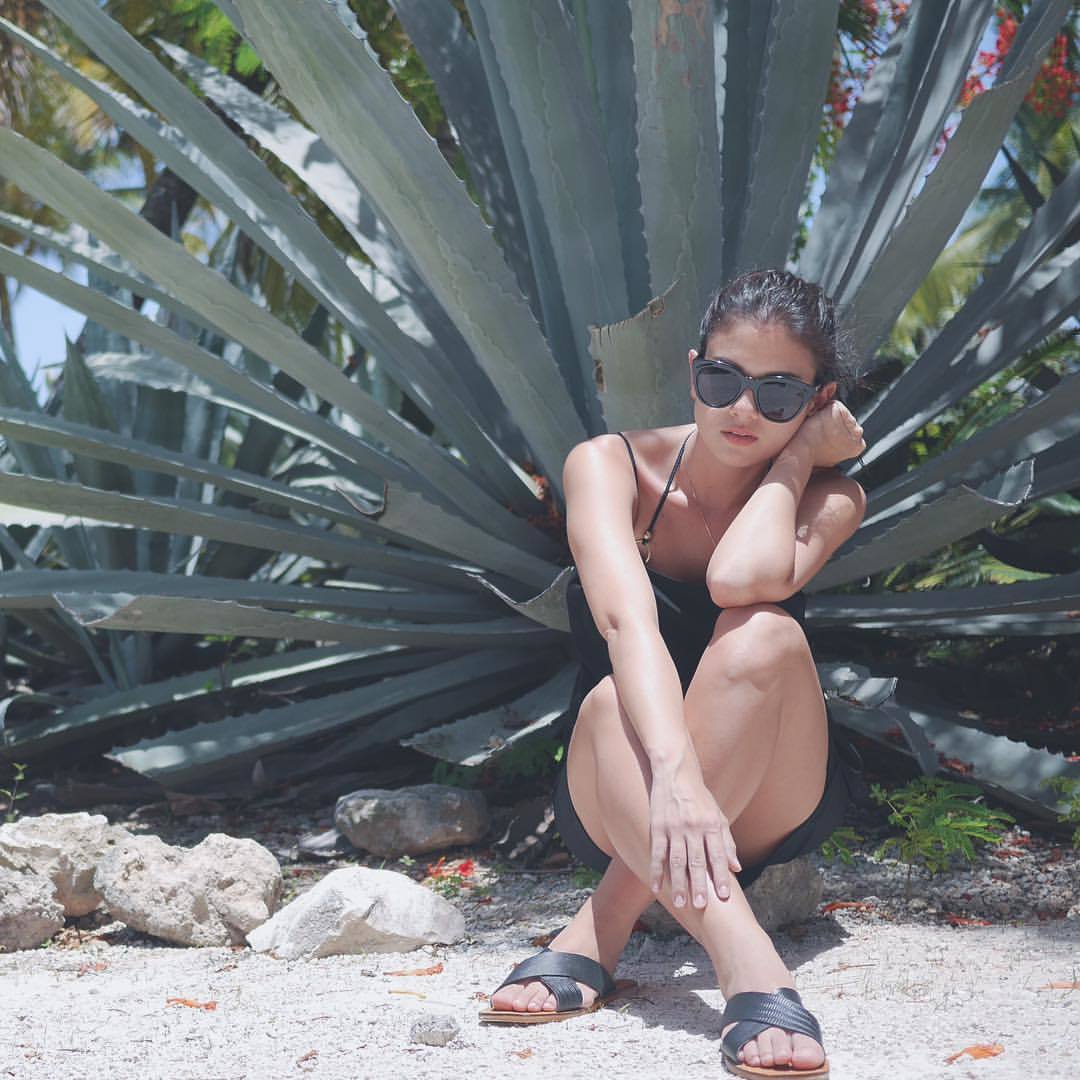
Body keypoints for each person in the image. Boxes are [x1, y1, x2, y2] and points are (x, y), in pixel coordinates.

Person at [479, 268, 869, 1079]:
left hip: (768, 797)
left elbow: (737, 579)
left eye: (778, 393)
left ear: (819, 400)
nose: (741, 409)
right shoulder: (609, 466)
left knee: (763, 634)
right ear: (693, 370)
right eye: (722, 380)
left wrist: (799, 458)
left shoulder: (833, 497)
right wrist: (676, 777)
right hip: (623, 782)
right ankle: (746, 960)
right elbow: (628, 625)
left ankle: (602, 925)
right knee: (609, 698)